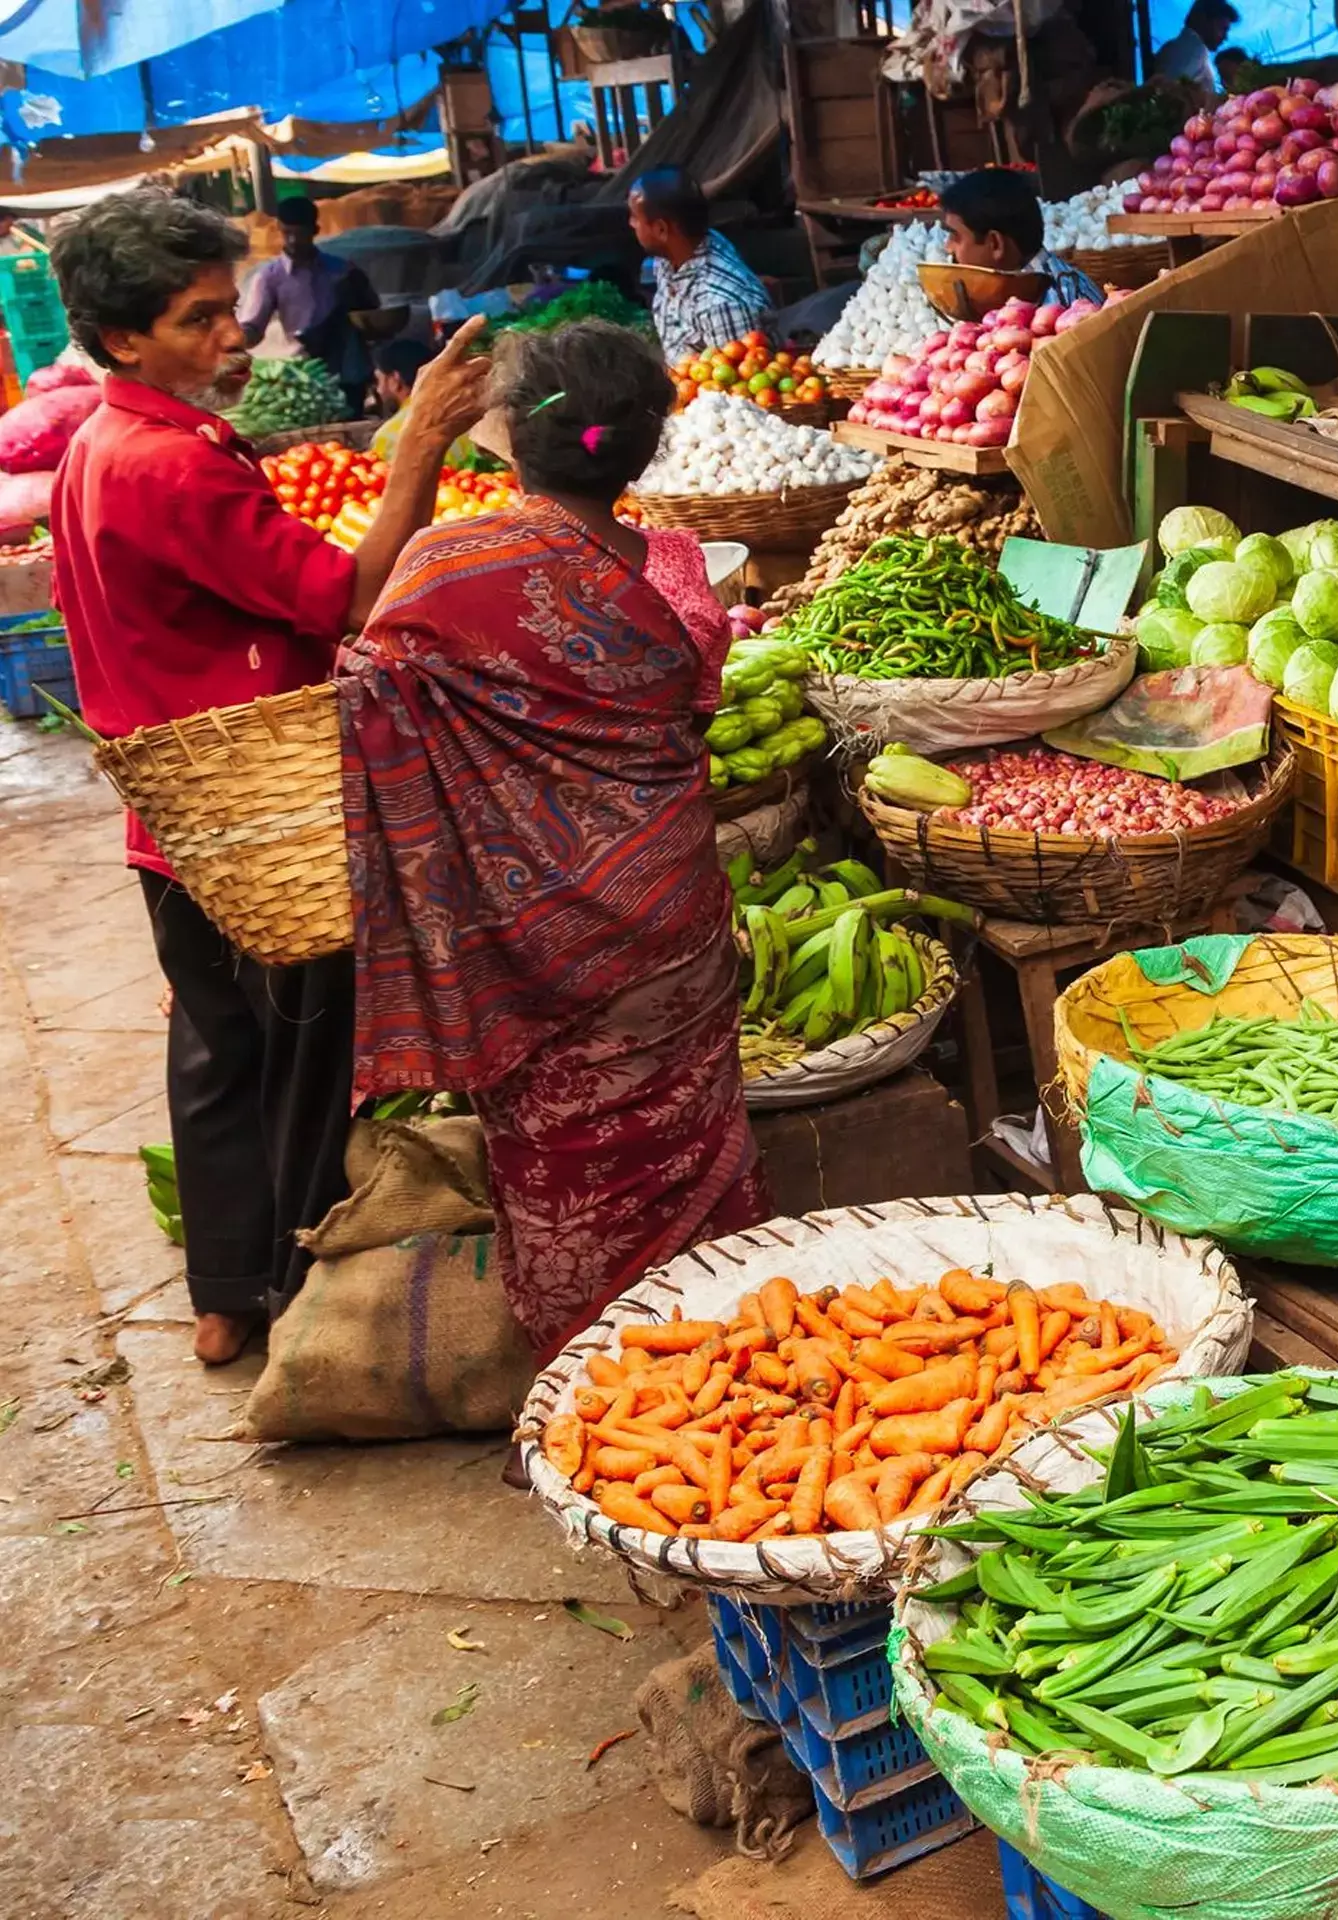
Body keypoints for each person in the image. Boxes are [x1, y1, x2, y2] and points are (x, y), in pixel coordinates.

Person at [48, 187, 490, 1366]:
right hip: (265, 819)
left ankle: (226, 1295)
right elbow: (347, 598)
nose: (234, 337)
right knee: (303, 1056)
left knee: (213, 1050)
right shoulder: (173, 467)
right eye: (201, 321)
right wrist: (425, 437)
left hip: (174, 826)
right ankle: (303, 1301)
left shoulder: (100, 444)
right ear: (123, 338)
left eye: (229, 310)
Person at [336, 319, 769, 1360]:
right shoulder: (673, 565)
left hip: (530, 944)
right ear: (643, 445)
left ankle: (590, 1381)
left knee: (556, 1154)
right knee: (694, 1138)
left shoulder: (446, 563)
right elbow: (696, 695)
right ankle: (731, 1357)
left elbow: (367, 677)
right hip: (670, 916)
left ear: (509, 439)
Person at [238, 195, 377, 408]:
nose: (293, 241)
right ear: (279, 229)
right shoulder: (270, 278)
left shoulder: (342, 271)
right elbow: (253, 328)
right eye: (287, 233)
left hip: (347, 372)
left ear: (315, 230)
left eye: (300, 234)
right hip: (304, 377)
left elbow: (371, 313)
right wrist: (237, 340)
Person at [626, 167, 769, 363]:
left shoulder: (720, 304)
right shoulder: (672, 256)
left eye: (635, 217)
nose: (630, 223)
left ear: (661, 229)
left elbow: (738, 388)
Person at [939, 169, 1106, 310]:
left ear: (995, 244)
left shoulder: (1065, 299)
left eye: (955, 236)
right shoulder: (1000, 295)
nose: (948, 247)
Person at [1152, 0, 1235, 90]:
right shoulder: (1194, 50)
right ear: (1202, 19)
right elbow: (1168, 92)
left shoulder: (1179, 47)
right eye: (1222, 29)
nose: (1225, 37)